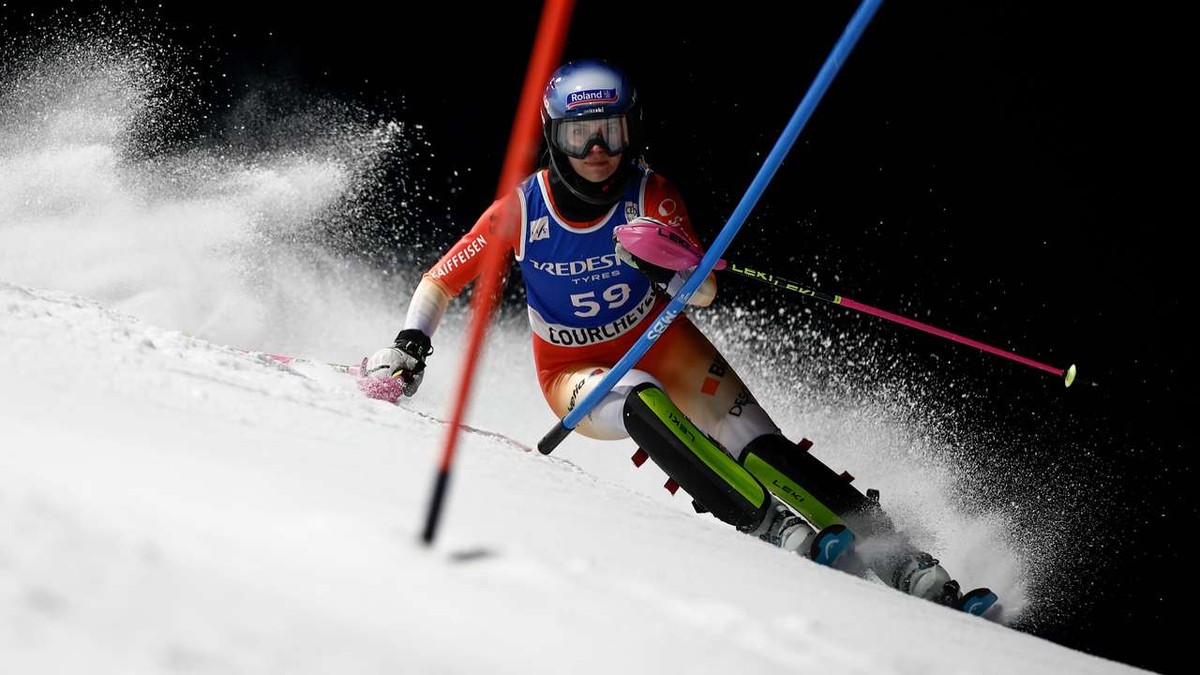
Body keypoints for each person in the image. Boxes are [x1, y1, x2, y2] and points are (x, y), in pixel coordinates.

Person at [365, 58, 986, 610]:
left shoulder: (651, 195)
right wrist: (411, 343)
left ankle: (902, 559)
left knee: (757, 443)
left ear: (632, 129)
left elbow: (706, 290)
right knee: (639, 397)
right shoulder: (523, 211)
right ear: (555, 136)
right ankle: (769, 524)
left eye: (612, 131)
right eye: (580, 135)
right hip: (571, 370)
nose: (598, 150)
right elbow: (441, 280)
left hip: (663, 339)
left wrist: (669, 268)